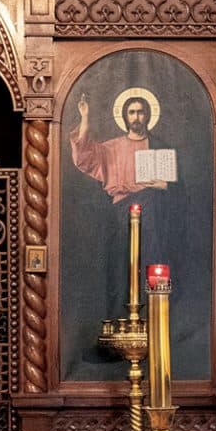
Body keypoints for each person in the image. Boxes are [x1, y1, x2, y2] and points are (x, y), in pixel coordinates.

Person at [69, 89, 181, 319]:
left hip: (154, 214)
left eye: (141, 112)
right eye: (132, 112)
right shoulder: (112, 147)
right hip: (121, 213)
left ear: (148, 115)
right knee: (122, 266)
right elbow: (83, 155)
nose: (136, 117)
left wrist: (165, 185)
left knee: (153, 261)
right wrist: (85, 118)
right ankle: (121, 322)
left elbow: (181, 190)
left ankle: (155, 323)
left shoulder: (159, 145)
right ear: (125, 116)